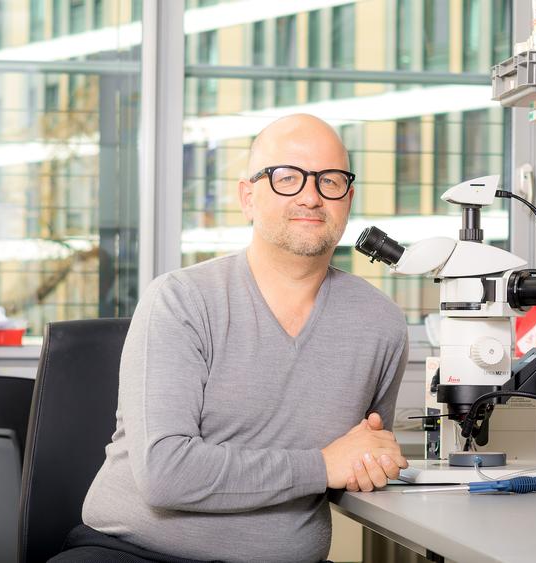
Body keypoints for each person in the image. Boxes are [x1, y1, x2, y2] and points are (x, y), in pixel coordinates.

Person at [55, 114, 410, 563]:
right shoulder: (181, 299)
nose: (311, 196)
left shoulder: (382, 324)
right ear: (247, 197)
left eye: (331, 180)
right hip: (133, 553)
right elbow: (165, 472)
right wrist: (321, 466)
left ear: (348, 198)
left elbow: (363, 457)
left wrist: (369, 461)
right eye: (287, 177)